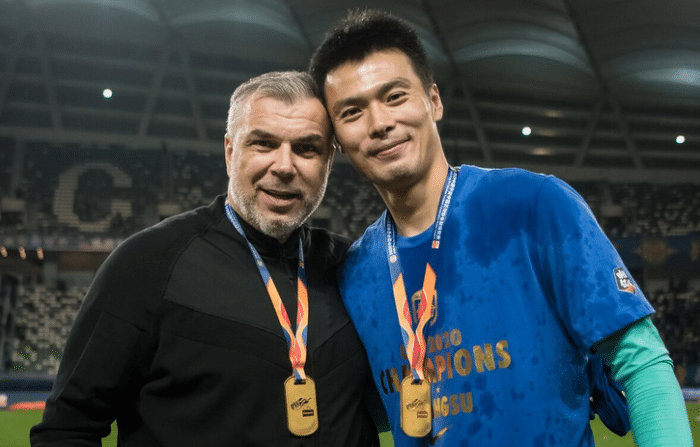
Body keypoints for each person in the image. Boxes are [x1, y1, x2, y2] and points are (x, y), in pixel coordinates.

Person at [309, 9, 692, 447]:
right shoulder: (354, 273)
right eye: (352, 112)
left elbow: (641, 362)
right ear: (337, 141)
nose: (379, 123)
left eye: (395, 96)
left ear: (433, 101)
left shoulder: (533, 205)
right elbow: (376, 409)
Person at [30, 71, 381, 447]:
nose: (284, 165)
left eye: (306, 149)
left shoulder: (353, 267)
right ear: (230, 152)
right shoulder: (148, 263)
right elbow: (67, 429)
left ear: (328, 161)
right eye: (263, 144)